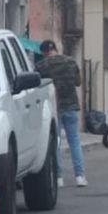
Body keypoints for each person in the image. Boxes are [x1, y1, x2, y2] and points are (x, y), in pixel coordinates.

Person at [36, 40, 88, 187]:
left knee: (56, 143)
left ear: (44, 52)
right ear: (56, 49)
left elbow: (37, 86)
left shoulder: (42, 66)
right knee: (75, 141)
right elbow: (78, 82)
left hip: (54, 108)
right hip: (71, 106)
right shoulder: (71, 62)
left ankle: (58, 177)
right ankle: (80, 176)